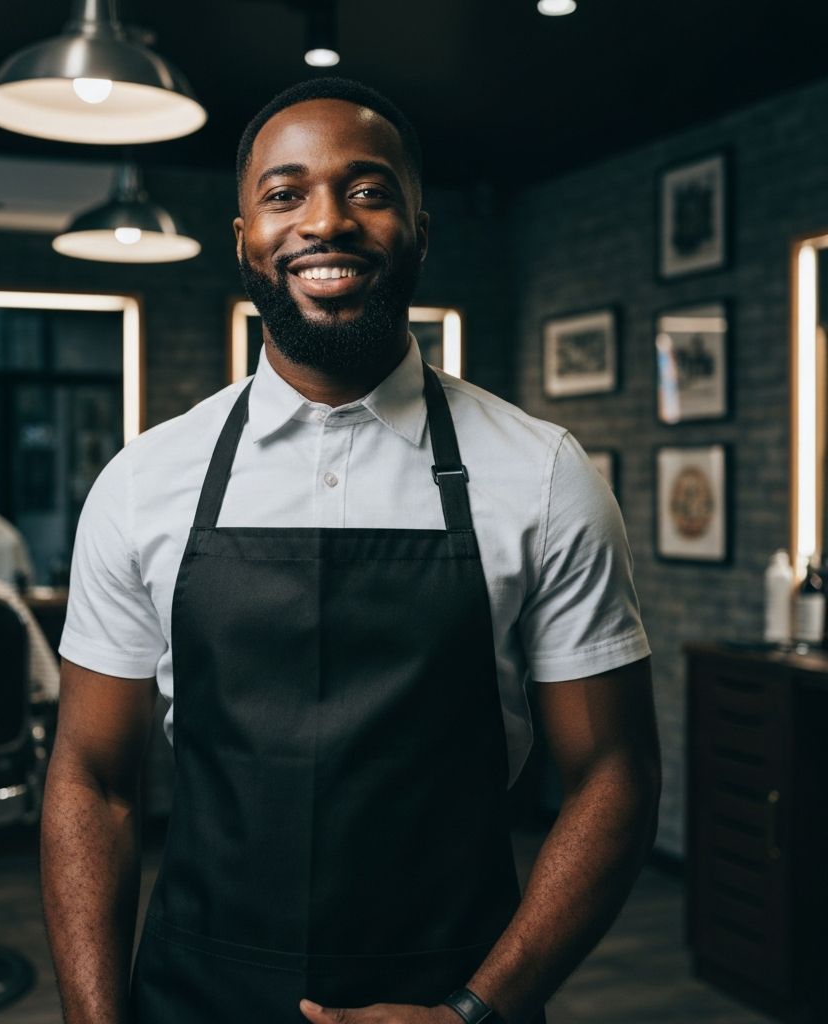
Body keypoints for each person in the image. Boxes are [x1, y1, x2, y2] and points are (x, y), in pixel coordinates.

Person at [41, 77, 660, 1024]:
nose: (324, 222)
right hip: (193, 991)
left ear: (420, 226)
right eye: (284, 194)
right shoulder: (143, 480)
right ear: (244, 233)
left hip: (453, 987)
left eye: (367, 190)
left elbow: (612, 774)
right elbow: (91, 778)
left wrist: (475, 1012)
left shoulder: (542, 474)